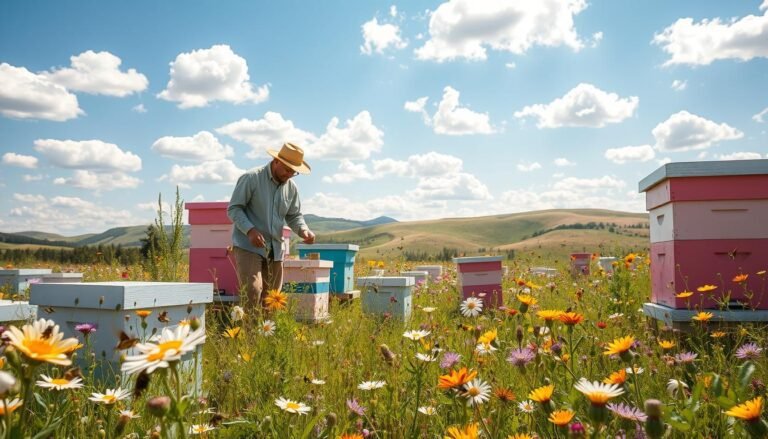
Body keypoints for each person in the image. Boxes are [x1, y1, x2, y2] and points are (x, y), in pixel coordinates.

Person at [227, 142, 316, 309]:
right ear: (276, 161)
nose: (289, 174)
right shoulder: (251, 178)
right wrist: (250, 230)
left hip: (275, 249)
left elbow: (294, 215)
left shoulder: (291, 188)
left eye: (293, 172)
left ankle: (267, 333)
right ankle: (251, 334)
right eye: (287, 169)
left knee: (273, 298)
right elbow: (234, 209)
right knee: (253, 292)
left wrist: (303, 230)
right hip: (248, 246)